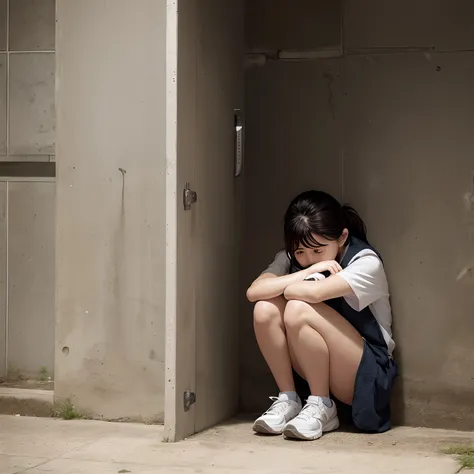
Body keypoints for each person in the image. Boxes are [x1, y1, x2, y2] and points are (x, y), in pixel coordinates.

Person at [246, 190, 397, 441]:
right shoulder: (294, 259)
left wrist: (295, 281)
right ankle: (289, 399)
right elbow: (254, 292)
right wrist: (313, 268)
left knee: (297, 307)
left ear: (342, 237)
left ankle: (322, 405)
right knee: (265, 309)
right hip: (319, 368)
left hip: (367, 376)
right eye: (300, 252)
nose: (307, 259)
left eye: (318, 251)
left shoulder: (365, 262)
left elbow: (309, 294)